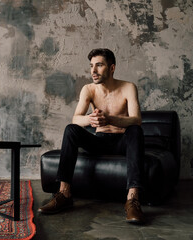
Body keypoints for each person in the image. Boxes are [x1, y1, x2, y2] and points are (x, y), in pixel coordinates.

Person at [38, 48, 145, 224]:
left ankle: (132, 199)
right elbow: (75, 118)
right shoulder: (88, 89)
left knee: (135, 130)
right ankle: (64, 193)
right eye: (91, 66)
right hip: (99, 140)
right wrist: (90, 119)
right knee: (71, 129)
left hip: (122, 141)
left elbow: (137, 120)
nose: (93, 71)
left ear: (112, 68)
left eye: (99, 65)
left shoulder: (128, 87)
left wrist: (109, 118)